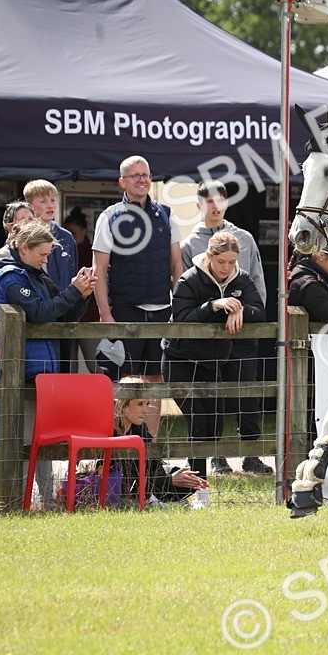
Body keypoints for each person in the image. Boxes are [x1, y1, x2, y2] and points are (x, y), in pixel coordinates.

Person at [0, 222, 97, 507]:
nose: (46, 259)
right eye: (42, 254)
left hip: (43, 373)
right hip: (19, 372)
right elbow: (40, 313)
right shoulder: (11, 279)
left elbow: (60, 315)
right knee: (20, 441)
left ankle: (46, 500)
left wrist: (81, 296)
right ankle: (15, 502)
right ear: (24, 248)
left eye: (48, 254)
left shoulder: (36, 275)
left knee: (43, 440)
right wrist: (72, 291)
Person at [179, 181, 271, 475]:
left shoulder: (244, 239)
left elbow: (258, 284)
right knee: (213, 394)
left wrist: (245, 314)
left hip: (243, 332)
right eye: (208, 201)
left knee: (247, 392)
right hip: (207, 339)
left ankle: (251, 453)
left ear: (227, 203)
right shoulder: (188, 245)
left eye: (220, 200)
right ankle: (216, 455)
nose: (215, 206)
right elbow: (185, 292)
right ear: (198, 206)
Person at [92, 156, 183, 437]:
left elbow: (177, 266)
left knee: (155, 378)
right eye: (135, 176)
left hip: (161, 310)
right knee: (123, 381)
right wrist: (106, 315)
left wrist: (178, 309)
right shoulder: (109, 217)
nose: (142, 179)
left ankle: (150, 447)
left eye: (145, 174)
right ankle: (120, 443)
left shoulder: (167, 215)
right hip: (124, 309)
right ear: (123, 182)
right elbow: (100, 268)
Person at [163, 232, 266, 478]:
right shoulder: (189, 280)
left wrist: (241, 310)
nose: (227, 267)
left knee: (214, 424)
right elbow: (182, 319)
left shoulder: (241, 279)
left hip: (212, 363)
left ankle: (198, 482)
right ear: (209, 256)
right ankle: (197, 483)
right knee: (198, 422)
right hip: (180, 359)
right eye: (222, 262)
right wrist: (213, 306)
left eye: (232, 262)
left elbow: (260, 310)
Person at [0, 201, 37, 477]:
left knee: (29, 415)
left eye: (31, 218)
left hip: (30, 344)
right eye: (21, 219)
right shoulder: (5, 257)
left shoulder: (37, 253)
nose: (28, 223)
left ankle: (35, 487)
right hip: (4, 343)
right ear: (8, 226)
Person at [112, 377, 208, 505]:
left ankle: (157, 497)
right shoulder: (111, 430)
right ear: (124, 406)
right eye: (140, 404)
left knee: (188, 483)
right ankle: (149, 500)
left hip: (147, 481)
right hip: (121, 483)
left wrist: (174, 474)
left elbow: (154, 465)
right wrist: (169, 480)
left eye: (147, 403)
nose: (145, 410)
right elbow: (128, 473)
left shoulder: (141, 429)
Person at [62, 206, 101, 370]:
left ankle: (110, 395)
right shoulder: (61, 253)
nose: (71, 238)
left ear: (84, 231)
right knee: (69, 367)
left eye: (74, 234)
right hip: (68, 315)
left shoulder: (92, 253)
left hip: (89, 316)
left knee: (96, 364)